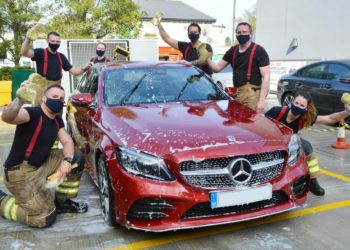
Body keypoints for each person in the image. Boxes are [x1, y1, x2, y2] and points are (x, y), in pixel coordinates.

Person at [0, 85, 88, 228]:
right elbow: (8, 117)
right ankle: (2, 201)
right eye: (54, 97)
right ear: (44, 98)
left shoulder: (56, 120)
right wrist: (19, 100)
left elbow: (67, 141)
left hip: (42, 164)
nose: (58, 101)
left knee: (76, 157)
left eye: (61, 98)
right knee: (44, 218)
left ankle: (62, 203)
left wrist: (67, 161)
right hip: (20, 173)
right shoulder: (32, 113)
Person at [265, 91, 350, 196]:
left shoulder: (305, 117)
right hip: (270, 143)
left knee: (307, 148)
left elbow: (330, 118)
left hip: (289, 143)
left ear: (306, 108)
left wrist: (347, 111)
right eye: (296, 103)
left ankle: (313, 182)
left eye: (302, 105)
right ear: (292, 102)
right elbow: (260, 125)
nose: (298, 107)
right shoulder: (276, 111)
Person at [206, 22, 270, 113]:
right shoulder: (233, 51)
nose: (241, 34)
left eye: (244, 32)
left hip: (252, 96)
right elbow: (216, 68)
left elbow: (266, 77)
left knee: (249, 124)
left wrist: (261, 101)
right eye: (239, 32)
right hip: (237, 94)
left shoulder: (259, 51)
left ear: (251, 34)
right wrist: (206, 57)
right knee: (237, 124)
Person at [21, 30, 91, 85]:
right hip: (42, 90)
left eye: (57, 41)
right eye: (52, 41)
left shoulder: (61, 56)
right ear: (47, 41)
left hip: (56, 89)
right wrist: (28, 38)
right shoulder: (40, 53)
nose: (55, 43)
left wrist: (84, 69)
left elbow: (74, 71)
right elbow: (24, 52)